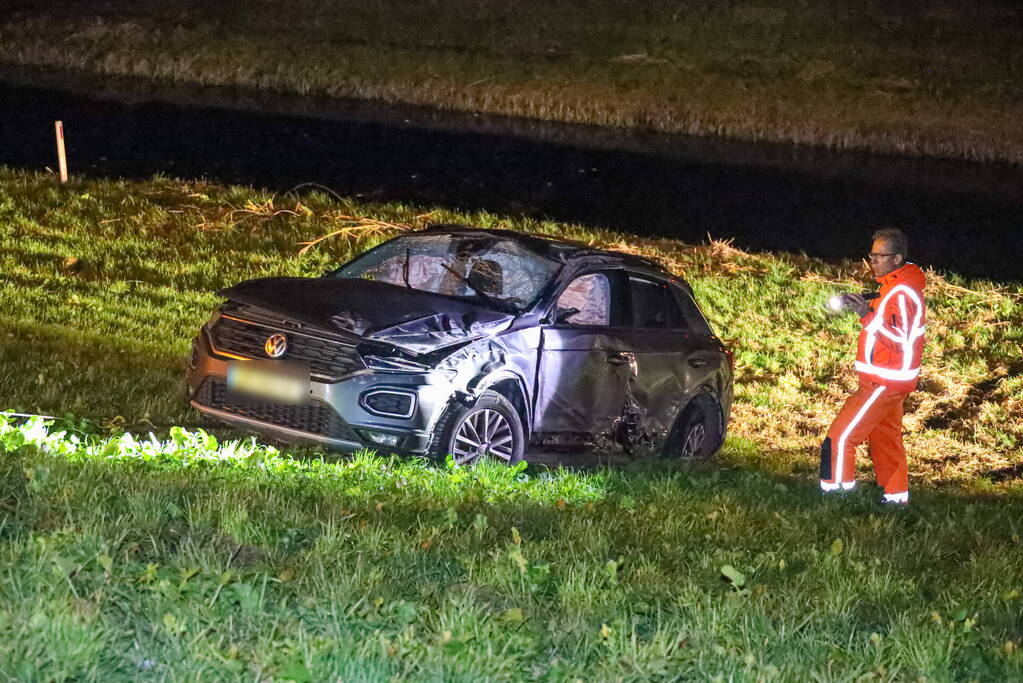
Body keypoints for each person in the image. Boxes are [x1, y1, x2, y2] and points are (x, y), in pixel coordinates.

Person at [820, 228, 926, 505]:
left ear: (897, 258)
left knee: (841, 437)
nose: (873, 261)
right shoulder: (892, 286)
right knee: (886, 440)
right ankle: (896, 500)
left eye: (880, 256)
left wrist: (865, 315)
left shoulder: (901, 293)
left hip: (884, 381)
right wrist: (866, 305)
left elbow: (899, 341)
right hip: (889, 379)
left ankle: (837, 498)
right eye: (872, 255)